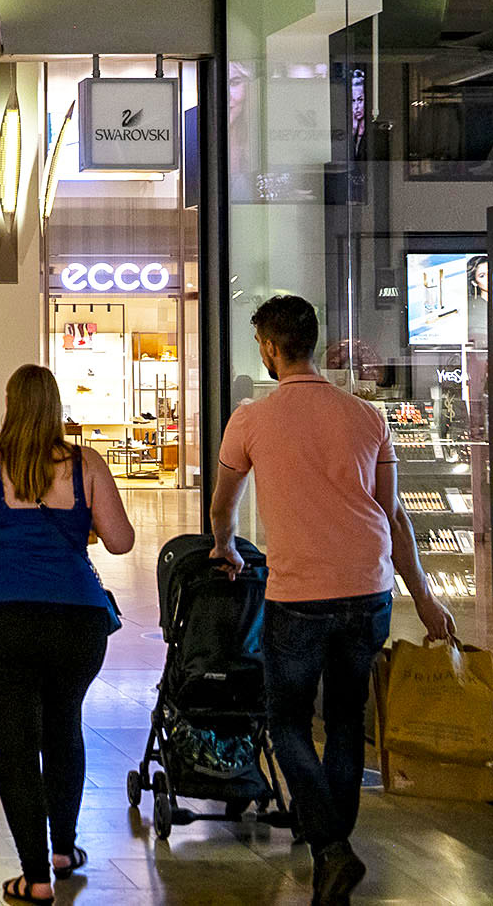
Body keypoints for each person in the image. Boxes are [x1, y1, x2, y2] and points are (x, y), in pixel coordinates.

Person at [208, 295, 454, 906]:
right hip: (367, 587)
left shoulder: (251, 419)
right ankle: (331, 859)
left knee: (286, 717)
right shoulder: (367, 418)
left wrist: (226, 546)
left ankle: (331, 848)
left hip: (299, 593)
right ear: (312, 344)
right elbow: (393, 514)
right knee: (346, 721)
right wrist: (423, 596)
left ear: (268, 347)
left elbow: (222, 505)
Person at [0, 364, 134, 904]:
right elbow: (121, 542)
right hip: (75, 619)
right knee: (64, 730)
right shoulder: (86, 465)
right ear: (54, 406)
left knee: (15, 745)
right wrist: (86, 525)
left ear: (8, 405)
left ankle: (35, 877)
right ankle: (64, 849)